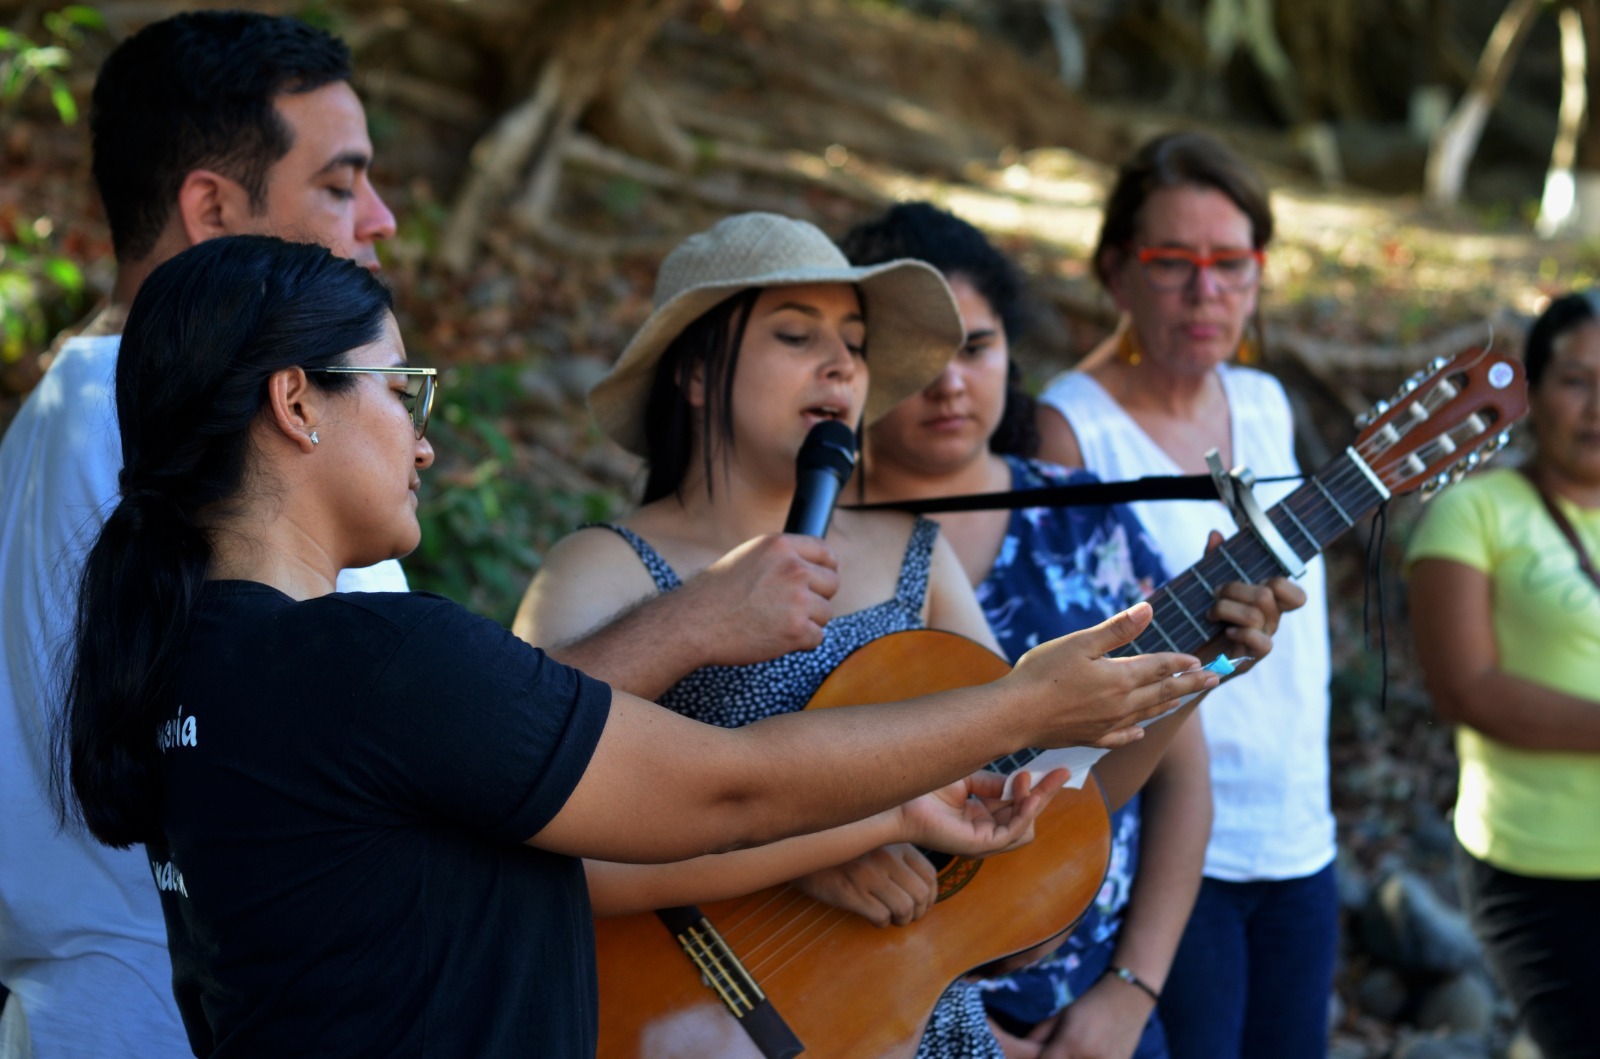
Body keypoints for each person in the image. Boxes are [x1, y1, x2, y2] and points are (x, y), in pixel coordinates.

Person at [59, 232, 1218, 1057]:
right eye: (400, 389)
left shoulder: (197, 667)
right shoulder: (369, 659)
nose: (422, 439)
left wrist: (902, 810)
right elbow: (728, 791)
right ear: (297, 404)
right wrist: (1024, 706)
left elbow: (558, 824)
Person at [516, 211, 1282, 1059]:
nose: (842, 364)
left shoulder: (915, 552)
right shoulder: (606, 567)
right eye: (796, 334)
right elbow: (534, 823)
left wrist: (1192, 669)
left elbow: (1028, 818)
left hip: (911, 1030)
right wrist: (804, 850)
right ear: (695, 373)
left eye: (853, 341)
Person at [0, 13, 404, 1056]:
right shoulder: (141, 419)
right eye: (339, 184)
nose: (381, 220)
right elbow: (402, 742)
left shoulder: (84, 406)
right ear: (213, 209)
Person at [846, 201, 1303, 1059]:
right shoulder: (816, 549)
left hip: (1086, 1003)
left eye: (977, 347)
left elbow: (1180, 778)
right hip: (860, 1013)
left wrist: (1130, 993)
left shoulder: (1087, 526)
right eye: (920, 354)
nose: (950, 383)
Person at [1033, 132, 1337, 1058]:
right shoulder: (1071, 427)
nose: (1207, 292)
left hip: (1300, 834)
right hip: (1162, 845)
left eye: (1231, 263)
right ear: (1117, 274)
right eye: (1173, 263)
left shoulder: (1265, 400)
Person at [1405, 291, 1600, 1059]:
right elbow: (1467, 688)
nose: (1596, 407)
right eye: (1575, 380)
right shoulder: (1473, 510)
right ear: (1531, 392)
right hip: (1539, 868)